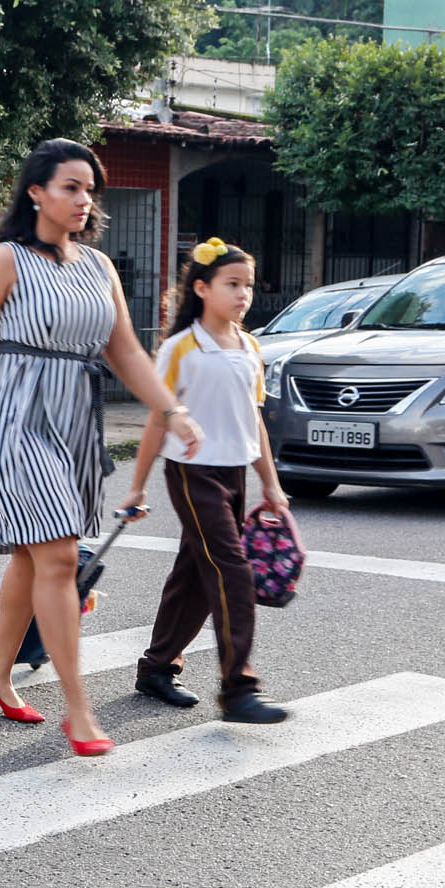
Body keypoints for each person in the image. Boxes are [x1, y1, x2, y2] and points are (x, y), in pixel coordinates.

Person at [0, 138, 202, 757]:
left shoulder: (98, 267)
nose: (83, 199)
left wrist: (170, 407)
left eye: (90, 190)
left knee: (33, 561)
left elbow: (126, 353)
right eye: (70, 187)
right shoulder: (6, 261)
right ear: (36, 192)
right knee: (58, 560)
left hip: (75, 420)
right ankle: (78, 710)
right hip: (14, 417)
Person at [122, 239, 292, 724]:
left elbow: (253, 419)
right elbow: (158, 419)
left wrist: (271, 485)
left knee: (195, 575)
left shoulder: (251, 347)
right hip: (193, 474)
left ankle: (156, 668)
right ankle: (239, 689)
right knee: (232, 571)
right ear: (201, 288)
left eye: (249, 286)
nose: (243, 294)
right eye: (232, 284)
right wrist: (138, 487)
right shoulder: (181, 348)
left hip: (234, 471)